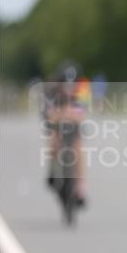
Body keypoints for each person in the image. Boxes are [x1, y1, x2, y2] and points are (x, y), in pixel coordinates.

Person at [44, 63, 88, 207]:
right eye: (66, 85)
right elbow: (50, 116)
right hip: (57, 124)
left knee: (79, 149)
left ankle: (80, 188)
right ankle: (52, 171)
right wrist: (62, 114)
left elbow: (82, 115)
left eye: (72, 85)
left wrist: (69, 114)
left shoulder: (82, 91)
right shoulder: (52, 91)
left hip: (73, 125)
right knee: (53, 141)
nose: (69, 89)